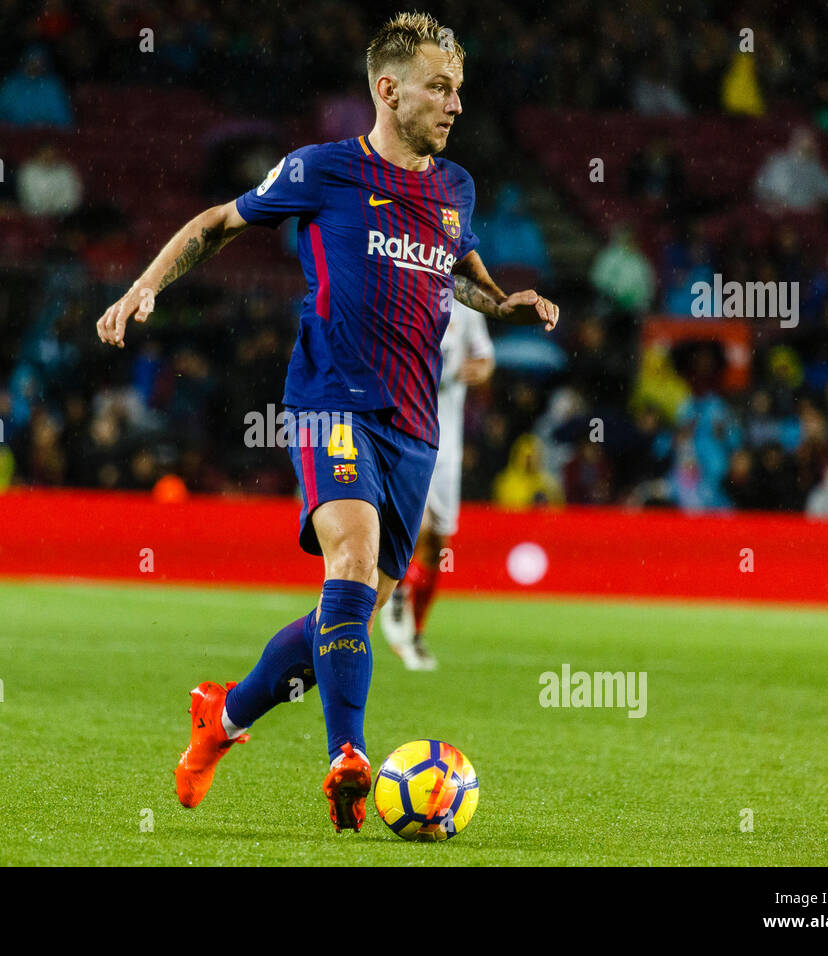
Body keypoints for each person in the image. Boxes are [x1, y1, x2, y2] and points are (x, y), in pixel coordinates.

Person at [95, 12, 559, 831]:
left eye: (459, 89)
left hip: (416, 428)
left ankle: (224, 717)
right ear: (388, 89)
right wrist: (145, 288)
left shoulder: (456, 188)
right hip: (329, 401)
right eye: (439, 88)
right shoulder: (323, 170)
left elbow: (465, 277)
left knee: (344, 615)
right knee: (350, 557)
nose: (455, 104)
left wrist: (505, 303)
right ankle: (347, 755)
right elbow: (215, 223)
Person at [378, 300, 493, 670]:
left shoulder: (466, 307)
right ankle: (393, 599)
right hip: (406, 434)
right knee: (421, 529)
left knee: (438, 542)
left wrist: (472, 370)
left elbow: (485, 359)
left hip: (448, 443)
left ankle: (414, 630)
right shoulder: (402, 296)